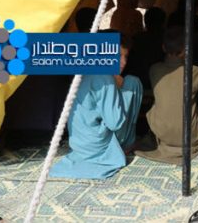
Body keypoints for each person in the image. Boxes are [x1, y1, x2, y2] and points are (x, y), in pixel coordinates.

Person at [49, 35, 143, 179]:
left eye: (126, 56)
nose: (123, 62)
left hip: (78, 142)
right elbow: (116, 123)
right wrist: (115, 87)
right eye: (118, 56)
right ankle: (126, 144)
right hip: (96, 146)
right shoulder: (104, 77)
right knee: (133, 83)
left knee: (129, 82)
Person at [137, 27, 198, 164]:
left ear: (163, 47)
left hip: (162, 133)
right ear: (186, 50)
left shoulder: (154, 70)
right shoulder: (195, 72)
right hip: (190, 134)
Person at [125, 7, 167, 89]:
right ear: (163, 23)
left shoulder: (136, 38)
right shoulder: (166, 39)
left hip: (137, 81)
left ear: (145, 21)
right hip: (159, 82)